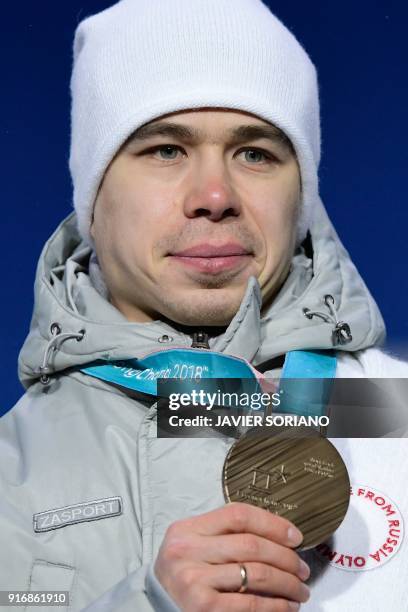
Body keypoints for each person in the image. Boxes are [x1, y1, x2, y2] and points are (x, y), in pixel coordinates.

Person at [1, 0, 407, 611]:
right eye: (165, 149)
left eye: (256, 154)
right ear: (94, 195)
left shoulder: (399, 413)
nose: (214, 195)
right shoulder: (9, 479)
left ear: (300, 195)